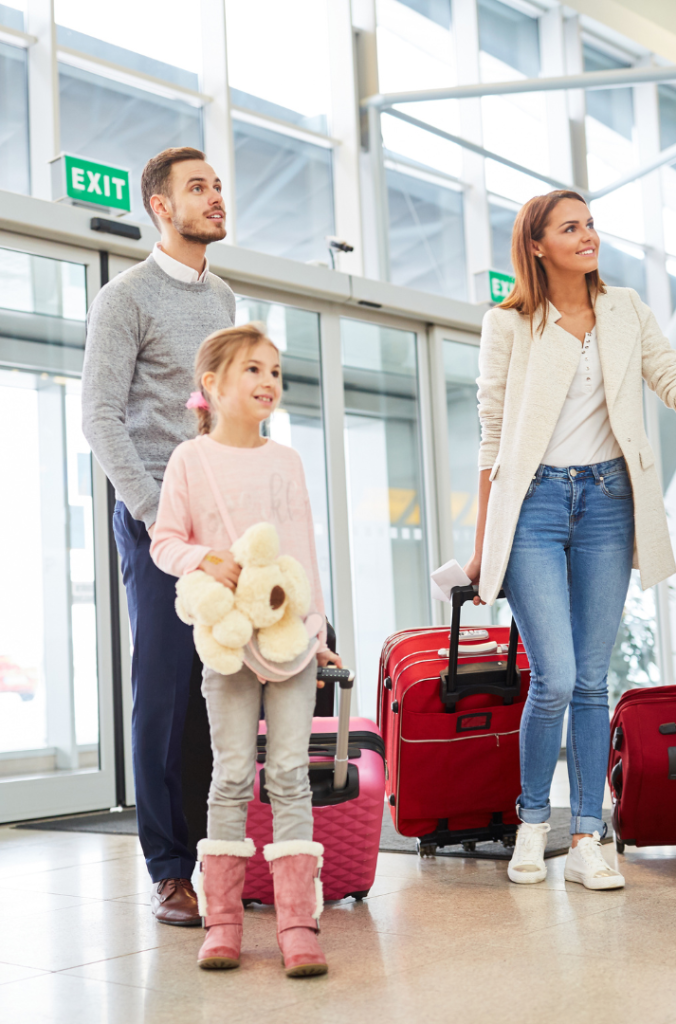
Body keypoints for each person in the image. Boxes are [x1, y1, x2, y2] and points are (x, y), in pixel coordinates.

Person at [464, 189, 676, 890]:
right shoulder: (508, 324)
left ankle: (590, 836)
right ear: (537, 245)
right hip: (532, 505)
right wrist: (485, 544)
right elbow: (490, 438)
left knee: (593, 682)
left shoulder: (626, 309)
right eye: (571, 228)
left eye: (591, 224)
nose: (588, 235)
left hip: (606, 502)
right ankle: (534, 824)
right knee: (557, 678)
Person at [150, 324, 343, 975]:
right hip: (227, 647)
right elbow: (164, 542)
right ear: (212, 384)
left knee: (289, 775)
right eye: (253, 370)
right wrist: (207, 559)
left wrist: (316, 631)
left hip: (288, 644)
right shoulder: (188, 461)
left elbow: (301, 553)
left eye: (275, 372)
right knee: (230, 776)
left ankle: (297, 923)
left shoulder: (284, 461)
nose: (267, 382)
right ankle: (223, 922)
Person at [82, 147, 235, 926]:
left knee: (223, 688)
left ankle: (220, 852)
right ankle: (169, 868)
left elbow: (219, 409)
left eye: (217, 185)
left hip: (221, 517)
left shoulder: (224, 297)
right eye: (197, 188)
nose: (215, 197)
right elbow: (100, 417)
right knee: (167, 691)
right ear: (160, 207)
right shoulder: (125, 298)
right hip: (154, 516)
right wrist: (152, 512)